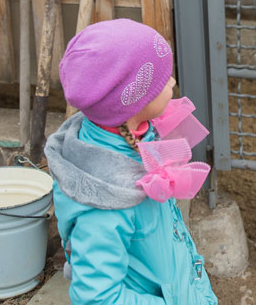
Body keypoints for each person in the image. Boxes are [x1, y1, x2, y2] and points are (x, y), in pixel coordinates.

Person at [44, 18, 218, 305]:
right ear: (130, 103)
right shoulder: (104, 202)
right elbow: (97, 298)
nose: (172, 81)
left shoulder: (125, 134)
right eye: (162, 80)